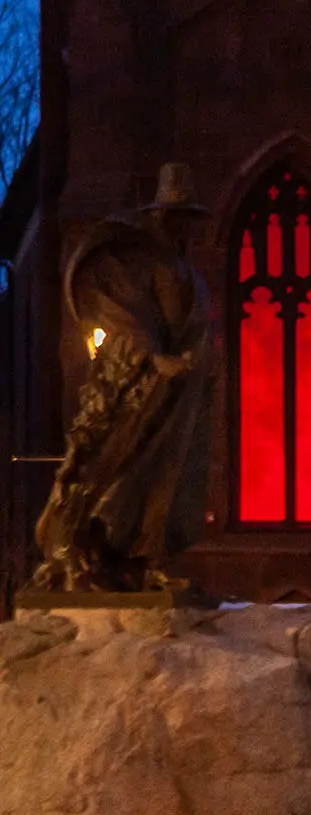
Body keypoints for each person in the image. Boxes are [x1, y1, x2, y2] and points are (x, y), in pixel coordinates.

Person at [31, 162, 214, 593]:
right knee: (126, 471)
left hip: (181, 392)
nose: (185, 226)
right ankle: (96, 552)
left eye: (190, 217)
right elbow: (127, 318)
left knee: (168, 476)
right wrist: (154, 359)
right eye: (179, 216)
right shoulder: (133, 261)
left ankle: (146, 564)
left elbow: (192, 322)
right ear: (160, 215)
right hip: (144, 389)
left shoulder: (183, 265)